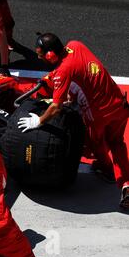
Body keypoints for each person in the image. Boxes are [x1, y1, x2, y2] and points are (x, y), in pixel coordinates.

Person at [18, 33, 129, 209]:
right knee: (117, 142)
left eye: (40, 54)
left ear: (50, 55)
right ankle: (127, 185)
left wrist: (38, 121)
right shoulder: (76, 45)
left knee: (95, 144)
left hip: (98, 116)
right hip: (119, 105)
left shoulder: (63, 71)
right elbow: (81, 73)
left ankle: (107, 170)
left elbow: (56, 107)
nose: (38, 57)